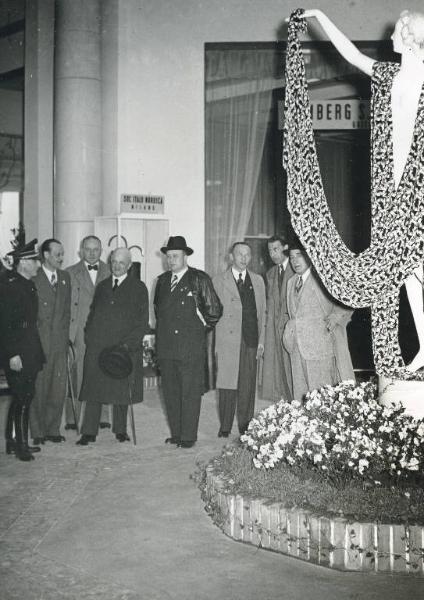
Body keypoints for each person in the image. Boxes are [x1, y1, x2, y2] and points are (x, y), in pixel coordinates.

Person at [284, 9, 424, 377]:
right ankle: (422, 348)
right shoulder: (389, 75)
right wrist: (319, 17)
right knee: (405, 275)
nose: (391, 37)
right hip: (390, 197)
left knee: (415, 271)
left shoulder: (411, 79)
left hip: (414, 192)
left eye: (396, 32)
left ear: (410, 39)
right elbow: (350, 53)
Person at [154, 236, 222, 448]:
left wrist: (199, 328)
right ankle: (176, 433)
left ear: (185, 257)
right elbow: (158, 312)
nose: (171, 260)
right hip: (167, 348)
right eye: (168, 257)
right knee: (171, 393)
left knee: (190, 393)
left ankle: (188, 436)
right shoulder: (162, 281)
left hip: (190, 348)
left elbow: (214, 311)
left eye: (175, 256)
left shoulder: (199, 278)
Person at [76, 247, 149, 445]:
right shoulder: (102, 286)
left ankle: (120, 430)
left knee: (120, 390)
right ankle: (89, 432)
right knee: (94, 389)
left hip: (122, 348)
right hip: (98, 346)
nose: (117, 266)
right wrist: (89, 336)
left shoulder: (139, 287)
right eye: (114, 262)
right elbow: (93, 315)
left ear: (129, 265)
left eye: (121, 263)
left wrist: (128, 345)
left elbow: (142, 321)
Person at [283, 242, 354, 403]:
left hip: (320, 347)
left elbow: (349, 302)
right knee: (300, 397)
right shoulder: (291, 282)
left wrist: (336, 316)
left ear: (310, 255)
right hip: (296, 349)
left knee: (321, 397)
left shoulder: (323, 279)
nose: (295, 261)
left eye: (299, 255)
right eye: (292, 257)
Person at [213, 242, 266, 437]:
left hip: (251, 341)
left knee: (248, 385)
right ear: (231, 257)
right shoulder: (219, 281)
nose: (244, 258)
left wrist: (261, 341)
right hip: (228, 342)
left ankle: (246, 425)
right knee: (227, 385)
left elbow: (263, 314)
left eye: (247, 254)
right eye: (239, 254)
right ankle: (225, 426)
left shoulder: (258, 281)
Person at [0, 240, 45, 461]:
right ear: (24, 263)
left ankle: (12, 441)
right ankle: (21, 446)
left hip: (29, 348)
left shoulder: (27, 283)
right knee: (22, 396)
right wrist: (11, 354)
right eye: (35, 260)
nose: (38, 264)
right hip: (17, 351)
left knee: (23, 396)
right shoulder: (10, 286)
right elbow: (5, 324)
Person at [66, 235, 110, 430]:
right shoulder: (69, 273)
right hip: (79, 333)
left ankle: (103, 417)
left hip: (104, 333)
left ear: (101, 251)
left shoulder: (111, 271)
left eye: (96, 249)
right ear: (81, 251)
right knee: (77, 375)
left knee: (103, 372)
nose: (92, 253)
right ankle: (71, 418)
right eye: (88, 249)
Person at [30, 238, 71, 444]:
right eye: (57, 254)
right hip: (39, 343)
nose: (61, 258)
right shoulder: (34, 278)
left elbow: (67, 312)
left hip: (59, 344)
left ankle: (52, 429)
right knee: (39, 388)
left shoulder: (65, 278)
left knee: (58, 387)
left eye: (62, 254)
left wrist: (67, 340)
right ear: (46, 255)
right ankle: (37, 432)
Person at [262, 235, 294, 402]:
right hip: (276, 331)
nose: (272, 254)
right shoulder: (270, 274)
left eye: (276, 249)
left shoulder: (296, 268)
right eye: (270, 251)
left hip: (292, 330)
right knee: (279, 371)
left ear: (285, 247)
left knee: (294, 373)